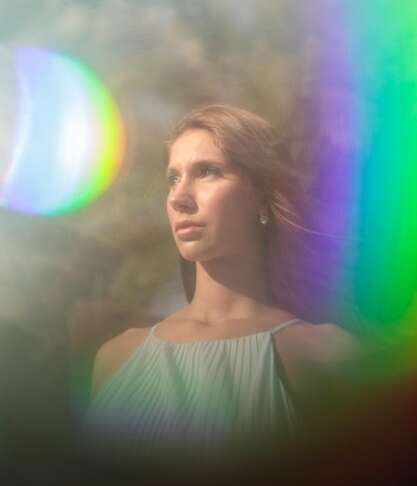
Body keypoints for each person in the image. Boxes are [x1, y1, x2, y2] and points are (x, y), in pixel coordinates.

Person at [82, 104, 360, 477]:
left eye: (208, 172)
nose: (179, 198)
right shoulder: (114, 359)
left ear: (261, 195)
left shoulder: (325, 357)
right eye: (173, 178)